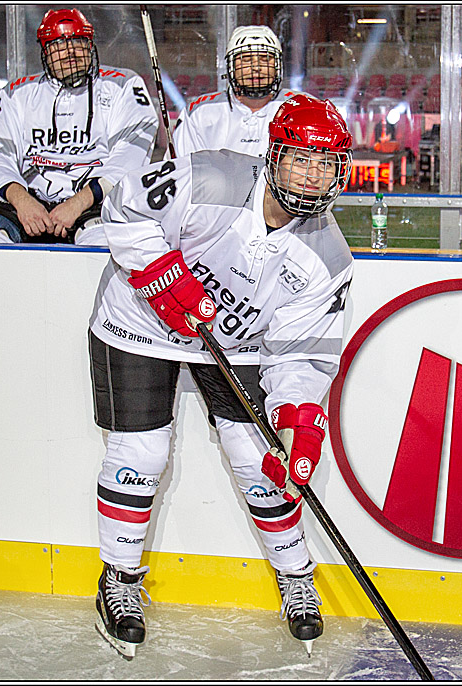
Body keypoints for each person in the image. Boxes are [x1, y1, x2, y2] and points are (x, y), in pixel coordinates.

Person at [87, 94, 354, 658]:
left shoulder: (329, 258)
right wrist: (159, 271)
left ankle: (296, 576)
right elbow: (125, 209)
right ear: (273, 155)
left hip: (230, 340)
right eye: (300, 159)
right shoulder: (211, 176)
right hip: (138, 320)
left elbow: (298, 353)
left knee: (263, 460)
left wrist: (301, 419)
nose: (311, 177)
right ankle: (119, 579)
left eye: (325, 163)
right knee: (141, 452)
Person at [0, 8, 158, 246]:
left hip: (94, 206)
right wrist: (22, 201)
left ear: (90, 45)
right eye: (58, 45)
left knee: (107, 242)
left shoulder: (123, 86)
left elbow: (130, 155)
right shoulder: (16, 93)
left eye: (78, 42)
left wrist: (78, 203)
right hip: (27, 205)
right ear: (45, 51)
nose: (69, 52)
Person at [173, 25, 304, 158]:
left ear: (277, 66)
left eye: (265, 59)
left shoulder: (302, 108)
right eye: (246, 59)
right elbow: (182, 170)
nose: (256, 67)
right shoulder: (199, 113)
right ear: (231, 67)